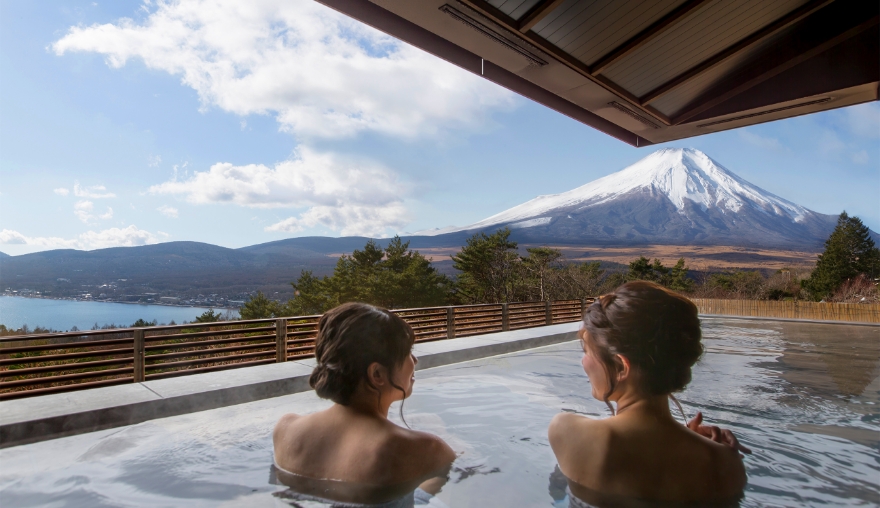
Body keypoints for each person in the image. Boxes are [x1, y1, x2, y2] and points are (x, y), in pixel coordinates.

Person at [548, 281, 750, 505]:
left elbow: (556, 492)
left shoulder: (566, 430)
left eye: (586, 351)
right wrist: (688, 439)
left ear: (622, 366)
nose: (583, 362)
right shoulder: (725, 463)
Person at [273, 302, 455, 506]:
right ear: (377, 374)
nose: (415, 360)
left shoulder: (285, 429)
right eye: (407, 352)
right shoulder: (423, 448)